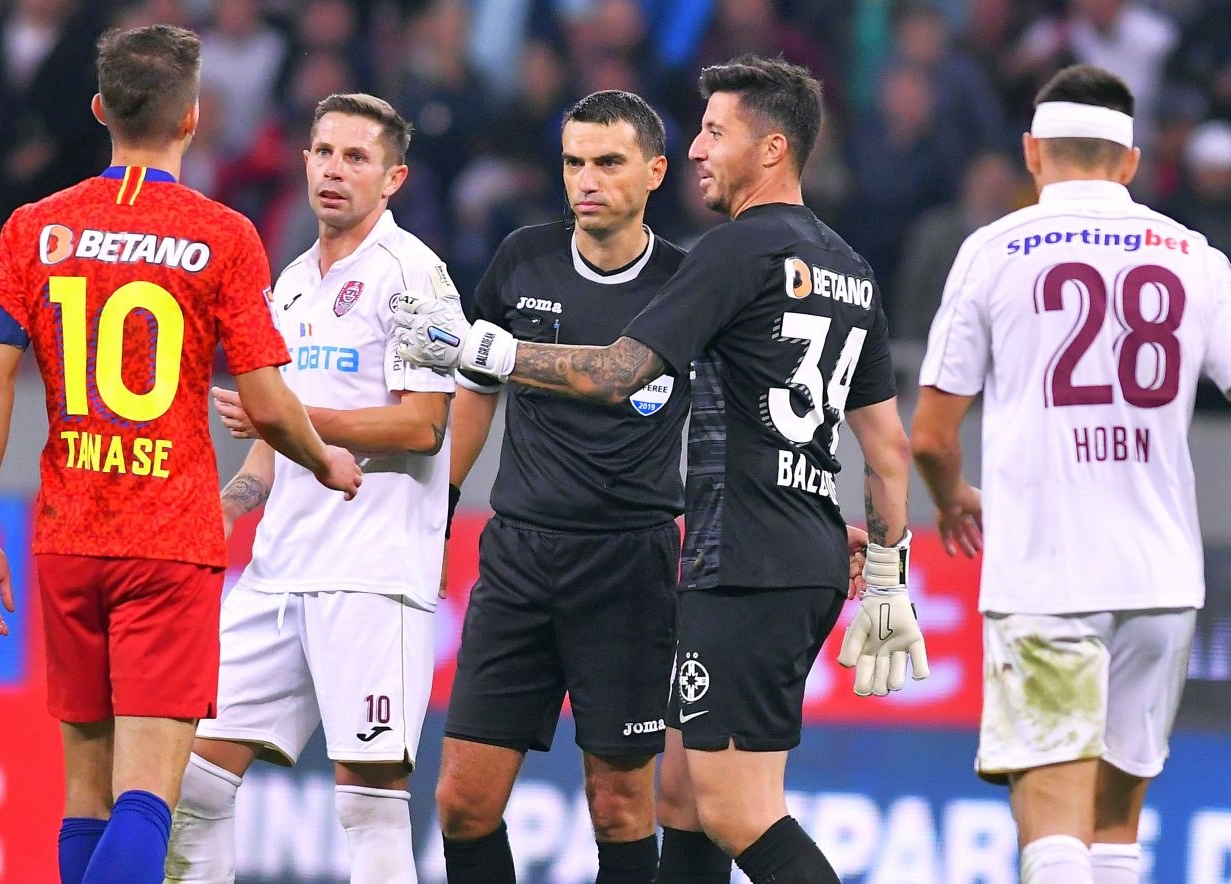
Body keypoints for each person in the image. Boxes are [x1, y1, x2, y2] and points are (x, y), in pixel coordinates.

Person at [396, 55, 927, 884]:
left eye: (715, 132)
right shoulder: (850, 269)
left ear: (773, 148)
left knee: (732, 810)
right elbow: (887, 448)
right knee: (682, 799)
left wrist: (483, 348)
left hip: (731, 560)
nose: (700, 150)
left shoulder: (729, 252)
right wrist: (886, 570)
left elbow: (617, 373)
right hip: (792, 548)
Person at [0, 24, 361, 884]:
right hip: (168, 540)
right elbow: (265, 401)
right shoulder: (223, 236)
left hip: (68, 533)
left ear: (100, 110)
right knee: (145, 798)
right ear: (192, 118)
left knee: (85, 793)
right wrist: (324, 460)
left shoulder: (36, 227)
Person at [909, 63, 1231, 884]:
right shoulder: (1191, 255)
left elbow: (929, 436)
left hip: (1049, 577)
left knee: (1052, 824)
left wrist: (951, 495)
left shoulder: (993, 251)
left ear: (1033, 152)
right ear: (1131, 162)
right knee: (1112, 831)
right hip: (1162, 583)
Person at [162, 93, 455, 884]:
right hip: (278, 571)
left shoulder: (416, 278)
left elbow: (424, 425)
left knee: (369, 804)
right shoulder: (290, 281)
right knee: (191, 780)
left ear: (393, 178)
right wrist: (231, 503)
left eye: (356, 157)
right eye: (324, 152)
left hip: (372, 575)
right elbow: (275, 440)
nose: (334, 170)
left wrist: (290, 415)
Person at [433, 90, 687, 884]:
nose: (587, 180)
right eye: (574, 162)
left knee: (619, 808)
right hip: (518, 559)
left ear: (655, 171)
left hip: (629, 567)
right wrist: (442, 505)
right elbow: (477, 388)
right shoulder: (522, 258)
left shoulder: (687, 285)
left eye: (608, 162)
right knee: (462, 804)